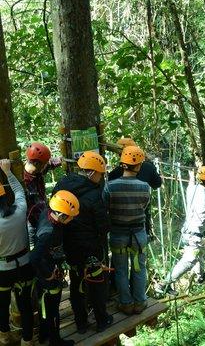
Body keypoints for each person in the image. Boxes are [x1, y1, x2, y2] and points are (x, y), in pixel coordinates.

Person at [52, 151, 112, 333]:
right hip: (90, 248)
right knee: (95, 283)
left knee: (76, 282)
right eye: (101, 174)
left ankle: (81, 323)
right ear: (92, 173)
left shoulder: (63, 183)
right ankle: (101, 320)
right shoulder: (94, 194)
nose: (102, 179)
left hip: (69, 247)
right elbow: (102, 225)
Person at [155, 166, 205, 295]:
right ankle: (164, 284)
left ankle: (201, 276)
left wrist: (192, 175)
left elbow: (192, 183)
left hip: (187, 232)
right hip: (194, 235)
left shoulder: (190, 189)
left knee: (199, 252)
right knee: (189, 260)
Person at [103, 146, 150, 315]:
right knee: (139, 268)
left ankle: (126, 303)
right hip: (138, 235)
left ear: (123, 164)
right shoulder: (145, 187)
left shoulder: (110, 187)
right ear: (138, 165)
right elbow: (143, 208)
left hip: (118, 234)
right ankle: (140, 302)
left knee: (121, 269)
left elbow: (106, 208)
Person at [30, 190, 80, 346]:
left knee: (45, 307)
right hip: (49, 275)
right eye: (71, 216)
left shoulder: (48, 213)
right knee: (53, 310)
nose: (72, 219)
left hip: (47, 269)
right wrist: (47, 275)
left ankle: (44, 335)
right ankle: (55, 341)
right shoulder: (48, 233)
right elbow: (34, 257)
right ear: (61, 215)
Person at [0, 159, 34, 346]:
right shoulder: (20, 211)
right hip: (24, 265)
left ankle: (4, 335)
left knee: (2, 304)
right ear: (5, 197)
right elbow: (20, 192)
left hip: (3, 270)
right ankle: (27, 340)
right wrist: (8, 172)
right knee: (25, 306)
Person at [108, 137, 161, 240]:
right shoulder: (148, 167)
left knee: (119, 254)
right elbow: (157, 184)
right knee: (139, 253)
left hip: (118, 225)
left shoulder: (114, 174)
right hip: (140, 223)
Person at [24, 142, 61, 244]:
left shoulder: (38, 170)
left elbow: (51, 163)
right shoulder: (24, 182)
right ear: (37, 163)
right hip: (31, 224)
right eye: (44, 163)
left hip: (44, 218)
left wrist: (62, 160)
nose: (46, 165)